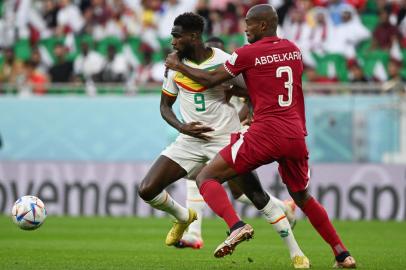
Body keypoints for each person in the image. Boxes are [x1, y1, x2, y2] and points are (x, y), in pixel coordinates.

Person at [165, 5, 356, 269]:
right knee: (303, 198)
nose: (245, 29)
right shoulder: (294, 49)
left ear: (263, 25)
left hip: (265, 133)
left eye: (249, 24)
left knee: (205, 177)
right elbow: (270, 83)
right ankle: (342, 254)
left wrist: (177, 65)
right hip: (296, 134)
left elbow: (209, 80)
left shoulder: (247, 53)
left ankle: (236, 226)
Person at [138, 12, 310, 268]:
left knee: (256, 197)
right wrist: (182, 127)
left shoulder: (223, 60)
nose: (172, 42)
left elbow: (252, 90)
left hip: (226, 139)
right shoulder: (173, 65)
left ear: (193, 36)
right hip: (191, 140)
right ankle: (185, 217)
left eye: (177, 36)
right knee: (147, 189)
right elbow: (165, 107)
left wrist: (247, 111)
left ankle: (297, 253)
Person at [178, 36, 297, 250]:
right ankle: (194, 233)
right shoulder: (202, 73)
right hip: (212, 135)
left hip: (234, 133)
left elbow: (254, 96)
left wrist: (241, 119)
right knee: (202, 178)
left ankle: (283, 212)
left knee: (241, 190)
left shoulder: (233, 70)